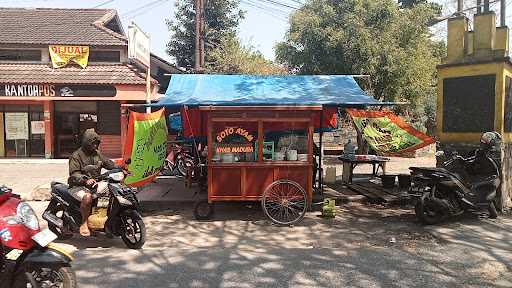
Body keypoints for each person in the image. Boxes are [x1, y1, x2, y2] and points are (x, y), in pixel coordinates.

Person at [68, 129, 116, 236]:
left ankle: (102, 221)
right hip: (78, 186)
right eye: (92, 143)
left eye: (96, 143)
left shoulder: (97, 154)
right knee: (87, 197)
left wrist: (121, 168)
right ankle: (84, 223)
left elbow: (109, 164)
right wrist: (85, 180)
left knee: (110, 192)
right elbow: (74, 174)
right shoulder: (76, 156)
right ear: (86, 142)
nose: (95, 146)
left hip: (95, 184)